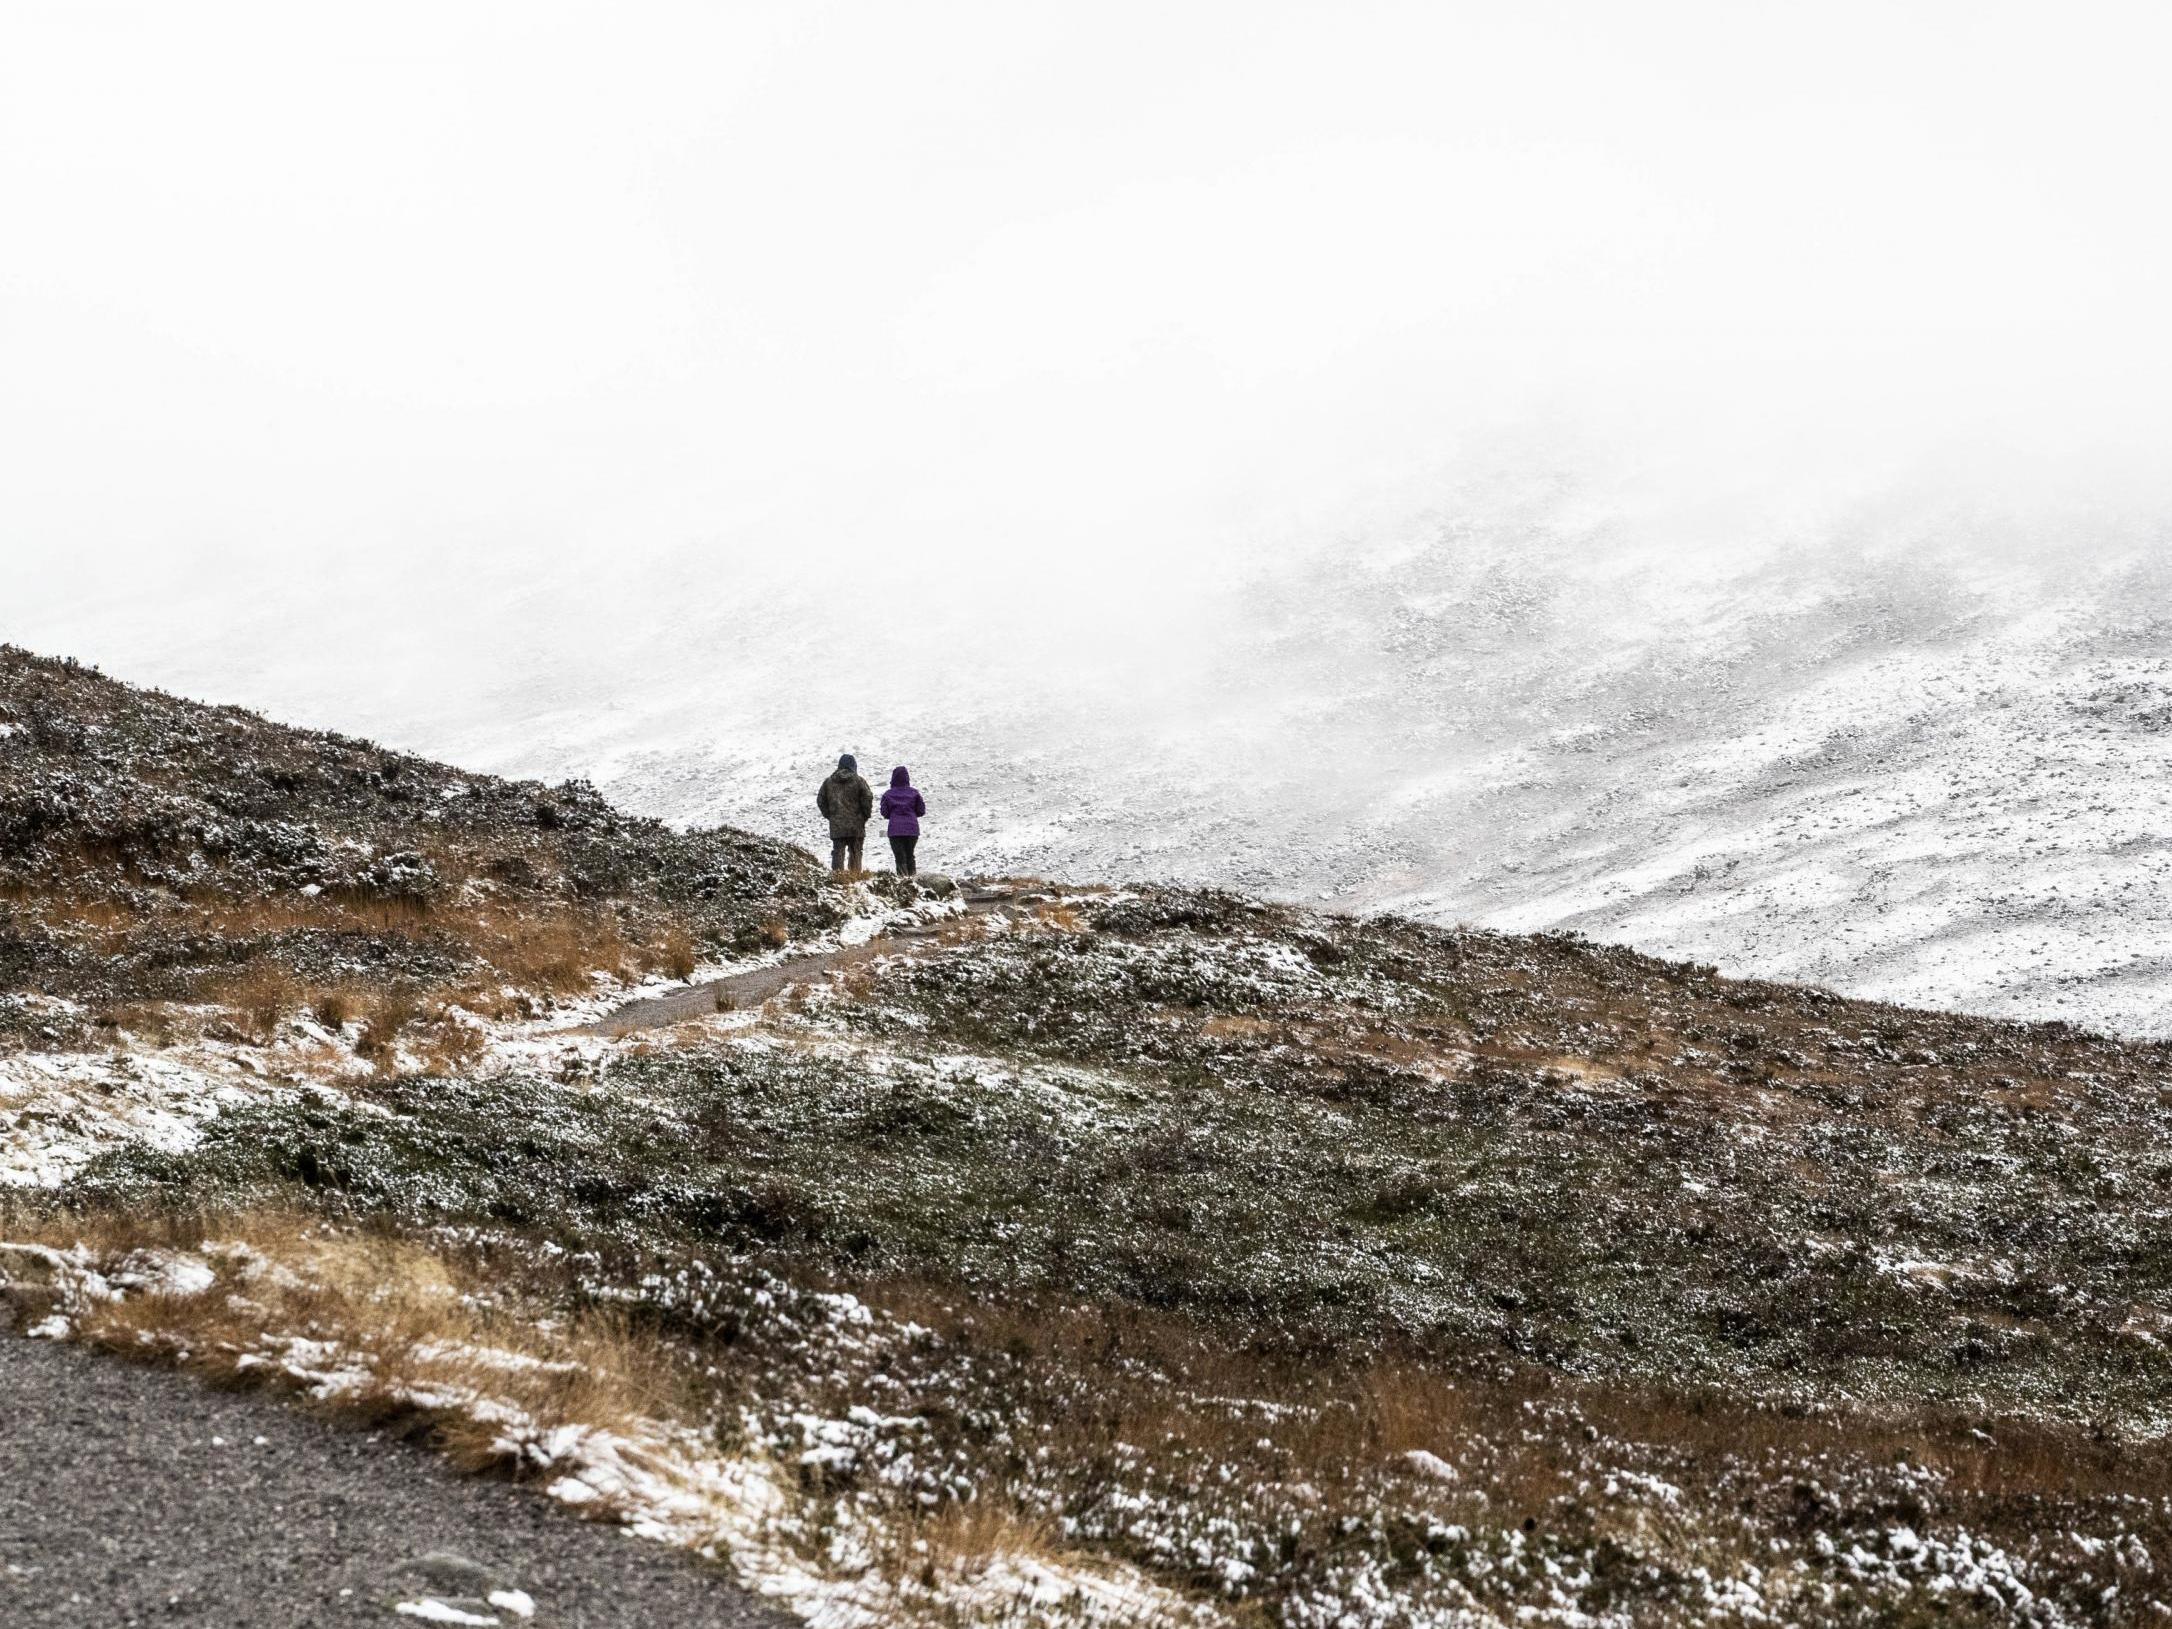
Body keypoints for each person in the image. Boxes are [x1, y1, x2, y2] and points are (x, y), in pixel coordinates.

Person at [815, 753, 873, 873]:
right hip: (856, 824)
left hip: (837, 824)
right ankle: (855, 876)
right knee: (856, 851)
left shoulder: (829, 782)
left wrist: (830, 815)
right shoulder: (859, 781)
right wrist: (865, 816)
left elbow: (820, 800)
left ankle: (837, 877)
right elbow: (867, 797)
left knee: (838, 852)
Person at [880, 765, 925, 875]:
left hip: (895, 830)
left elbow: (884, 812)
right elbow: (921, 810)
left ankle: (903, 882)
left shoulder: (888, 794)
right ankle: (913, 882)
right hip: (912, 829)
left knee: (900, 858)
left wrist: (893, 815)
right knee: (910, 856)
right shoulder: (914, 793)